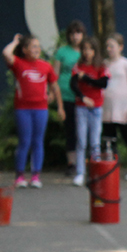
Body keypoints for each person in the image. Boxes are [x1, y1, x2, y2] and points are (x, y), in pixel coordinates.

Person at [2, 33, 64, 188]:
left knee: (38, 141)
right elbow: (6, 53)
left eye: (38, 46)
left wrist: (60, 106)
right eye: (33, 46)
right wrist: (15, 42)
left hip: (41, 109)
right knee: (24, 141)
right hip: (23, 109)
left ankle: (36, 176)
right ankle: (19, 176)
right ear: (24, 50)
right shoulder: (18, 64)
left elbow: (55, 86)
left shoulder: (46, 66)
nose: (37, 49)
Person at [102, 33, 127, 181]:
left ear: (120, 47)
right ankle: (110, 167)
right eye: (107, 46)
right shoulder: (104, 64)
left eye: (112, 46)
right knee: (109, 139)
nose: (109, 49)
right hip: (107, 108)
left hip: (123, 108)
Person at [69, 37, 108, 187]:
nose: (87, 52)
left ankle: (96, 172)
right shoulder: (78, 66)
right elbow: (73, 84)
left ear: (95, 51)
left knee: (95, 141)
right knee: (81, 140)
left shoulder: (101, 66)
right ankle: (80, 173)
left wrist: (85, 78)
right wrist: (83, 97)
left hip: (96, 107)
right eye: (84, 49)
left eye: (90, 49)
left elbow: (102, 83)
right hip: (81, 107)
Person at [52, 20, 86, 176]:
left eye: (78, 33)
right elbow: (54, 74)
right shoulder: (61, 52)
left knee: (83, 131)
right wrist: (52, 92)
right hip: (66, 95)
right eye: (72, 34)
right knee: (70, 130)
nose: (75, 36)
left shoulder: (87, 51)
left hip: (84, 96)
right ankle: (71, 163)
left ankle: (84, 162)